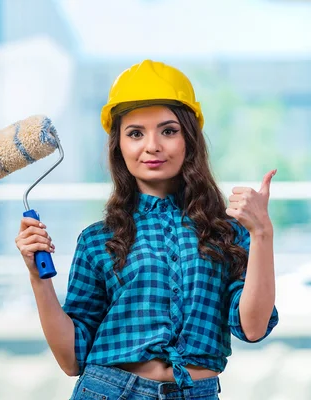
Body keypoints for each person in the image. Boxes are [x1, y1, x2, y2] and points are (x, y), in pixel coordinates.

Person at [15, 59, 279, 400]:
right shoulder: (98, 239)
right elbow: (71, 359)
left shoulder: (226, 233)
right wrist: (38, 278)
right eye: (135, 133)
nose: (152, 145)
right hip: (108, 390)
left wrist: (262, 234)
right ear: (119, 146)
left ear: (189, 140)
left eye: (168, 130)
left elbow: (253, 328)